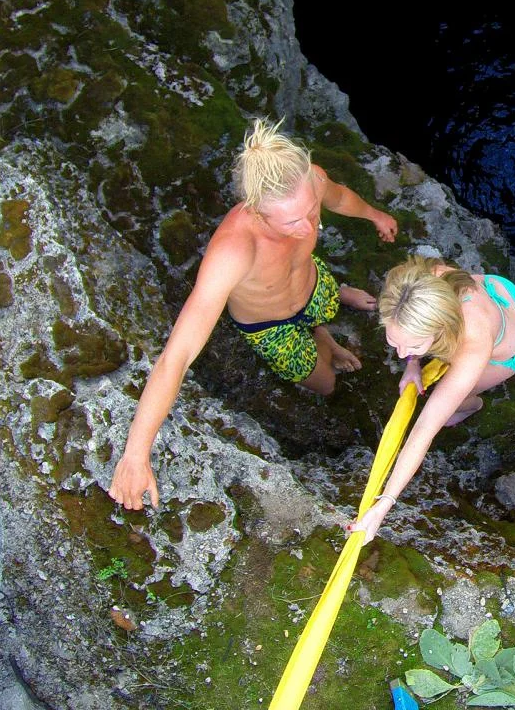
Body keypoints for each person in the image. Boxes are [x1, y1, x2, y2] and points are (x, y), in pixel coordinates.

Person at [107, 118, 398, 511]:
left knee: (326, 305)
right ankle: (321, 341)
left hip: (311, 285)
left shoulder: (310, 180)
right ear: (258, 213)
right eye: (292, 221)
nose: (308, 225)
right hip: (270, 323)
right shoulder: (233, 251)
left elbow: (340, 198)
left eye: (310, 213)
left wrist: (375, 216)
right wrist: (135, 455)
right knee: (327, 384)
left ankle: (325, 325)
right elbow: (176, 355)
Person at [348, 255, 515, 543]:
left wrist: (383, 504)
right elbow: (412, 332)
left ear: (440, 329)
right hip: (496, 288)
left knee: (453, 402)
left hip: (510, 345)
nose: (399, 352)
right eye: (393, 341)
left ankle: (471, 406)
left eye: (413, 346)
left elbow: (424, 428)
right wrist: (413, 363)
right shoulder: (413, 282)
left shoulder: (472, 341)